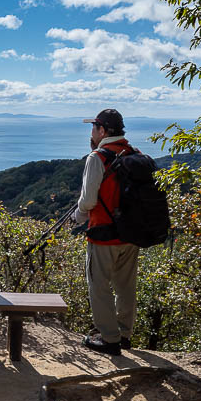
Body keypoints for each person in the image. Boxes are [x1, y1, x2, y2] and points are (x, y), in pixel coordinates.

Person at [72, 109, 140, 356]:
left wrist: (76, 217)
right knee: (126, 286)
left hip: (103, 234)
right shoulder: (134, 154)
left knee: (99, 286)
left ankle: (109, 340)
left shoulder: (97, 157)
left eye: (93, 128)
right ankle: (123, 335)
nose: (91, 133)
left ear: (102, 130)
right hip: (131, 234)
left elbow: (88, 201)